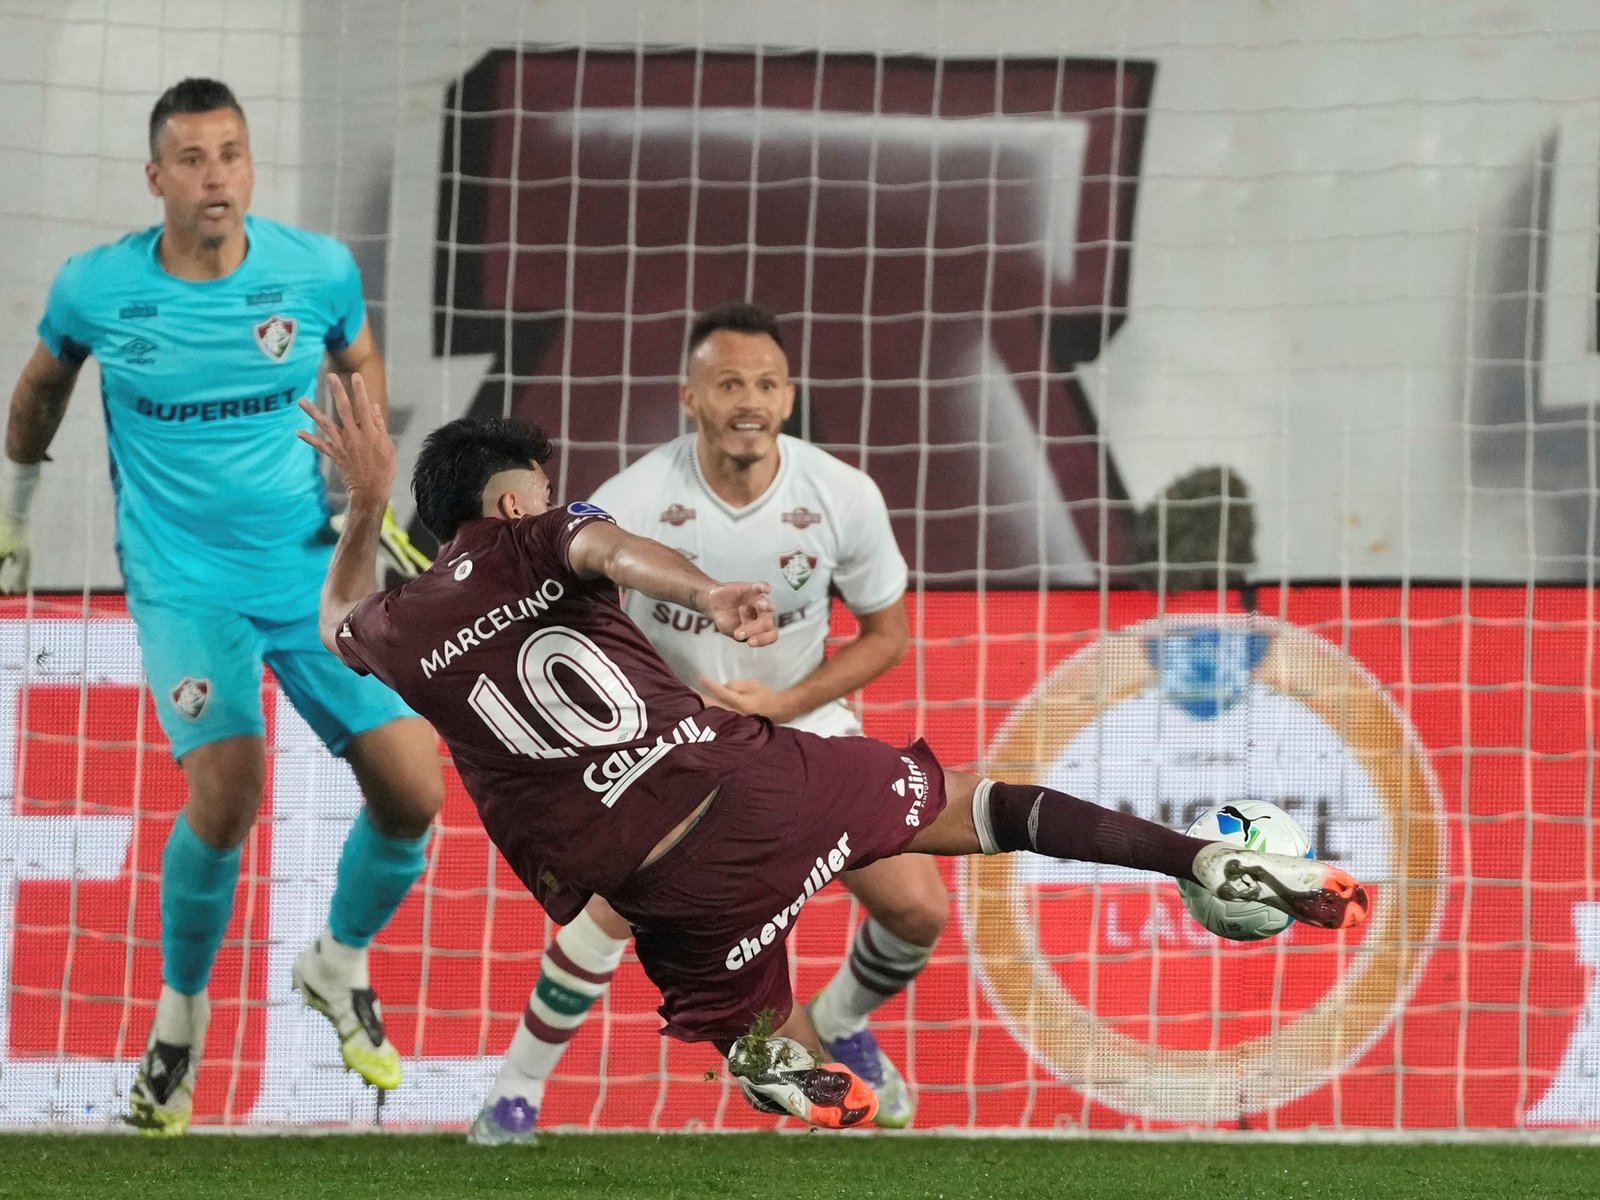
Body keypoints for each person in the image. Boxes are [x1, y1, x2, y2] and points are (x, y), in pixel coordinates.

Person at [300, 374, 1373, 1131]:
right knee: (975, 805)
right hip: (743, 786)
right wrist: (707, 589)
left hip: (637, 878)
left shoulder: (397, 630)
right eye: (541, 485)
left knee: (734, 1012)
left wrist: (362, 503)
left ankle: (776, 1065)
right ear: (512, 498)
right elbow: (609, 546)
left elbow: (337, 613)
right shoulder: (541, 529)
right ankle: (1195, 860)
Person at [0, 79, 445, 1135]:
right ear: (157, 178)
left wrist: (364, 472)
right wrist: (14, 516)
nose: (216, 176)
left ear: (252, 168)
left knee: (414, 791)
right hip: (181, 578)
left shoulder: (315, 270)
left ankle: (335, 965)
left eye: (231, 154)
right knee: (228, 793)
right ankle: (179, 1025)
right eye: (192, 159)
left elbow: (359, 354)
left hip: (307, 570)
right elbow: (41, 393)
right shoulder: (98, 288)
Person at [467, 302, 944, 1143]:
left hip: (806, 720)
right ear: (691, 397)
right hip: (675, 747)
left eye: (765, 384)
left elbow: (887, 637)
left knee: (917, 910)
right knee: (614, 908)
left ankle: (839, 1021)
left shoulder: (842, 495)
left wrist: (784, 706)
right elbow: (574, 623)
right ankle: (513, 1096)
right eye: (729, 384)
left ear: (789, 398)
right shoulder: (633, 500)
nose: (749, 401)